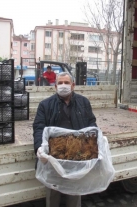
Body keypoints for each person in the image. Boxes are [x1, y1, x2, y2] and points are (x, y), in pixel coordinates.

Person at [33, 72, 97, 207]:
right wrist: (39, 147)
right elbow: (39, 128)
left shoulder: (83, 102)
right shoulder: (45, 105)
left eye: (66, 83)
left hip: (76, 157)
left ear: (73, 85)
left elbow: (92, 125)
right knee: (52, 193)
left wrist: (96, 144)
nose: (63, 86)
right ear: (55, 86)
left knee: (74, 192)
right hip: (54, 157)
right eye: (60, 83)